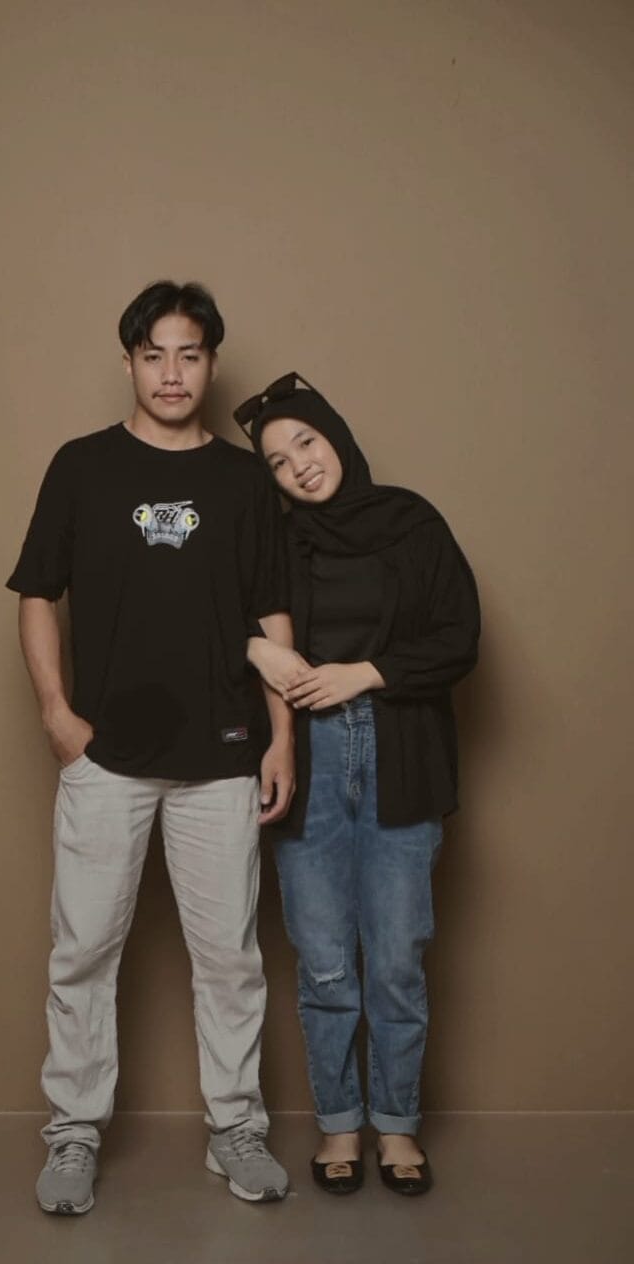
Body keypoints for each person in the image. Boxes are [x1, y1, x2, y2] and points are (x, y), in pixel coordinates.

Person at [7, 283, 295, 1215]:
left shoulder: (244, 482)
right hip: (105, 759)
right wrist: (57, 715)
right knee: (83, 953)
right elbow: (37, 593)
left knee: (231, 960)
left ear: (211, 364)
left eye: (190, 354)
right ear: (130, 361)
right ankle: (73, 1133)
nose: (172, 373)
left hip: (223, 757)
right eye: (154, 354)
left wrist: (282, 736)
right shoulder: (81, 466)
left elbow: (272, 613)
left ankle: (236, 1128)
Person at [238, 373, 480, 1196]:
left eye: (306, 442)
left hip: (401, 753)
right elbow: (217, 617)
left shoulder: (412, 522)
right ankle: (340, 1122)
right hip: (306, 757)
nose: (299, 466)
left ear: (334, 434)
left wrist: (366, 673)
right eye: (277, 462)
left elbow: (460, 635)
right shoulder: (274, 543)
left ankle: (398, 1125)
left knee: (398, 957)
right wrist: (254, 648)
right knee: (324, 960)